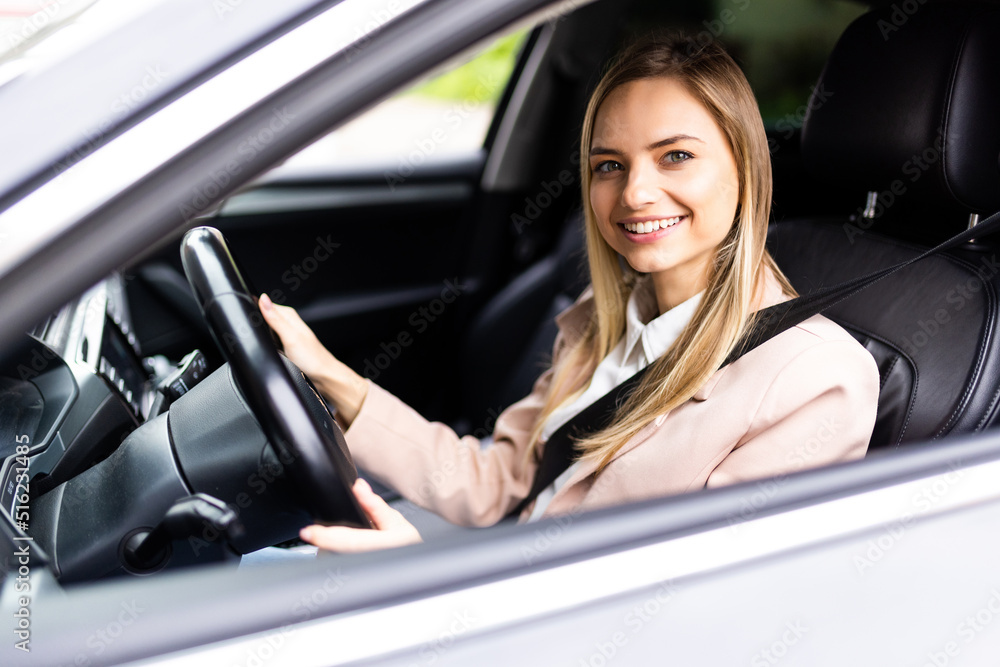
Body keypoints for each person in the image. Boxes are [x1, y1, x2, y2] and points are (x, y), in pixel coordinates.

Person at [259, 35, 880, 553]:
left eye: (676, 156)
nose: (635, 192)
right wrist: (330, 377)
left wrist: (423, 586)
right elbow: (497, 483)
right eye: (610, 164)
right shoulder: (603, 322)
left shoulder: (817, 380)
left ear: (745, 171)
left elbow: (685, 616)